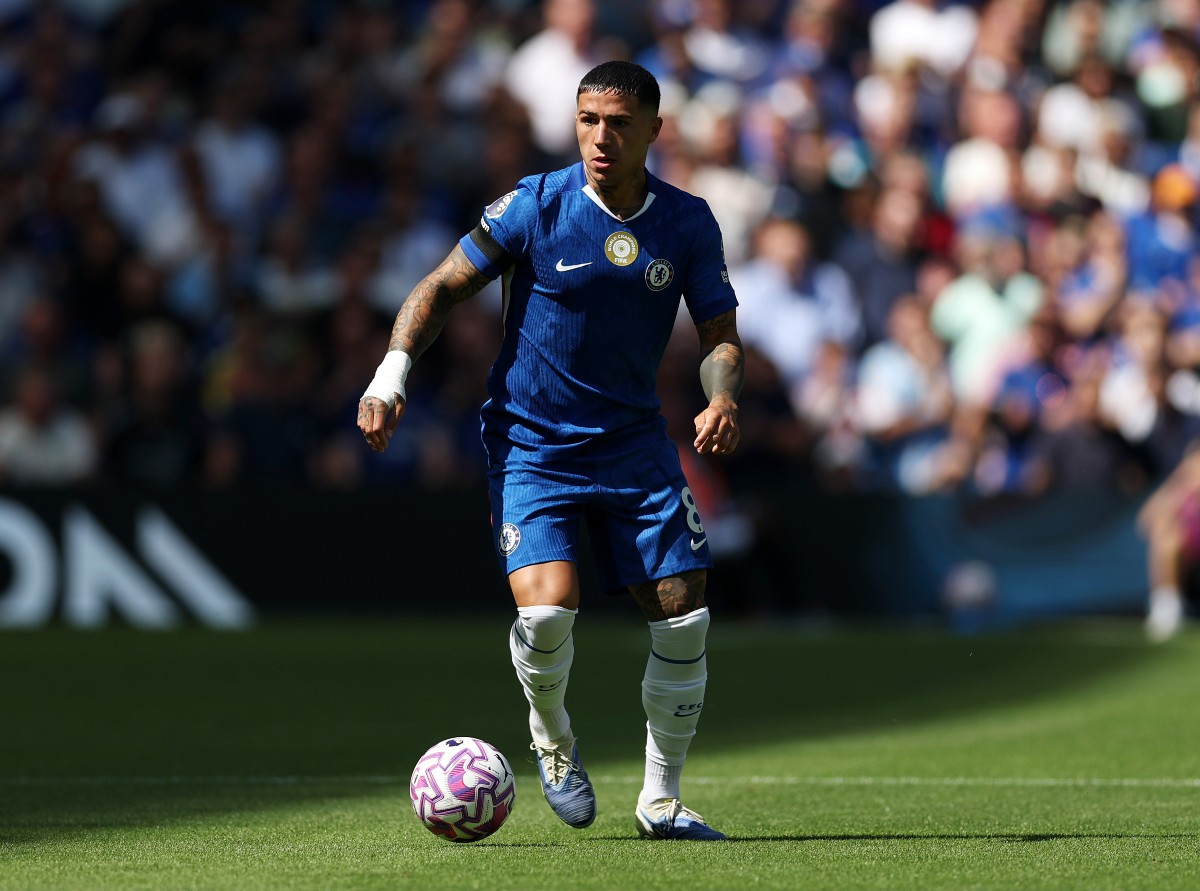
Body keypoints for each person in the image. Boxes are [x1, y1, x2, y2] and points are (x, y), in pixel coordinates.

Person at [358, 61, 742, 841]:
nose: (601, 137)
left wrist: (724, 395)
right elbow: (437, 287)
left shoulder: (687, 222)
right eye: (588, 120)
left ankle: (661, 799)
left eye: (619, 123)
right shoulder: (534, 206)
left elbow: (717, 335)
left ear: (653, 132)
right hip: (532, 442)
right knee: (546, 611)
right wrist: (390, 375)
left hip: (634, 441)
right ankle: (553, 739)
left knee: (683, 614)